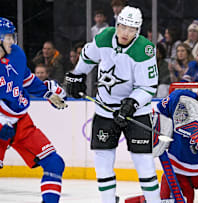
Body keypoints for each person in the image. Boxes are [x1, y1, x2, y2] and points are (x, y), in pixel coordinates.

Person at [65, 6, 161, 203]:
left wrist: (131, 104)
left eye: (132, 29)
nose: (126, 32)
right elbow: (87, 56)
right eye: (123, 27)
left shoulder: (145, 49)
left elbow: (149, 86)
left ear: (138, 31)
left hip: (136, 112)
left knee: (143, 162)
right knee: (102, 159)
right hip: (105, 110)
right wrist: (77, 75)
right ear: (117, 25)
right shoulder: (104, 37)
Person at [0, 17, 68, 203]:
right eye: (7, 37)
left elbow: (27, 80)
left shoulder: (16, 54)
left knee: (54, 163)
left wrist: (48, 93)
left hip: (20, 121)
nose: (12, 41)